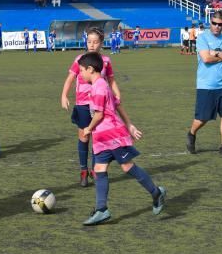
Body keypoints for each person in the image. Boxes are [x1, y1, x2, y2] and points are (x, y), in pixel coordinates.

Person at [78, 52, 166, 225]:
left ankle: (156, 193)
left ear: (90, 69)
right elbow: (117, 105)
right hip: (101, 138)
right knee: (100, 169)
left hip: (113, 135)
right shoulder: (99, 85)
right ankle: (102, 209)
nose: (80, 74)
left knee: (127, 167)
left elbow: (99, 114)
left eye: (82, 70)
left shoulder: (99, 87)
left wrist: (88, 128)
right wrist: (130, 124)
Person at [61, 27, 121, 187]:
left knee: (97, 137)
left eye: (95, 42)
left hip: (99, 105)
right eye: (89, 41)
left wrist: (117, 94)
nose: (92, 45)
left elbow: (111, 80)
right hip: (82, 104)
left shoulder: (106, 61)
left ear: (101, 43)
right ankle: (83, 170)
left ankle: (95, 170)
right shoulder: (79, 59)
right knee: (83, 136)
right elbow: (70, 79)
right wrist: (63, 95)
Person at [186, 11, 222, 157]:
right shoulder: (202, 38)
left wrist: (216, 53)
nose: (217, 26)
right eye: (214, 23)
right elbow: (206, 59)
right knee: (202, 118)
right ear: (210, 23)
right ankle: (191, 133)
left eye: (220, 24)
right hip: (206, 85)